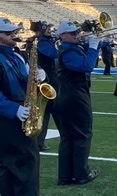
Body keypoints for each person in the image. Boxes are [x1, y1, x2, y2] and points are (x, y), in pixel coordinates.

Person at [55, 21, 100, 185]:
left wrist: (92, 47)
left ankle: (66, 175)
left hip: (70, 94)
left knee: (69, 137)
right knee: (82, 134)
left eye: (76, 32)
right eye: (72, 33)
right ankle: (81, 174)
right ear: (62, 35)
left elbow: (90, 62)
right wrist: (94, 47)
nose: (77, 35)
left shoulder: (72, 48)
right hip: (74, 95)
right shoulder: (67, 52)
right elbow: (87, 66)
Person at [0, 18, 40, 195]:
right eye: (8, 33)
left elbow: (25, 77)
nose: (14, 34)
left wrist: (38, 75)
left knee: (22, 161)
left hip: (23, 109)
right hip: (8, 116)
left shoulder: (17, 53)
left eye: (14, 31)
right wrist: (13, 109)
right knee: (20, 161)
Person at [35, 21, 61, 152]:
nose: (51, 30)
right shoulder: (42, 43)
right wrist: (60, 43)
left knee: (50, 111)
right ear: (41, 30)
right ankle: (39, 142)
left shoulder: (47, 41)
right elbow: (53, 54)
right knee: (49, 111)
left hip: (51, 77)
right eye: (48, 29)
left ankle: (39, 142)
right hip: (46, 79)